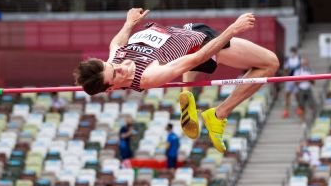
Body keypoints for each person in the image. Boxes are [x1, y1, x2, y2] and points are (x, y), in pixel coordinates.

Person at [74, 8, 279, 153]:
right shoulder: (148, 76)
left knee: (184, 58)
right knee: (270, 63)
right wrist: (232, 29)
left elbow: (116, 44)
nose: (119, 66)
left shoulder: (112, 62)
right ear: (111, 89)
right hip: (204, 46)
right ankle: (219, 113)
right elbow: (197, 58)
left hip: (187, 31)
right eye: (116, 74)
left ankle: (186, 93)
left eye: (112, 65)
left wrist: (129, 23)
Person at [293, 57, 315, 123]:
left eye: (306, 63)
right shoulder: (298, 71)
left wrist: (309, 79)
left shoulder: (311, 71)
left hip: (308, 89)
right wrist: (302, 80)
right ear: (301, 64)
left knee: (312, 104)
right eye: (304, 63)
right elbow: (295, 82)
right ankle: (302, 119)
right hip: (301, 90)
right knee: (301, 105)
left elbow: (313, 82)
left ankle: (312, 118)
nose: (305, 65)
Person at [282, 47, 301, 118]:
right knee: (287, 95)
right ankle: (286, 111)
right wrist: (286, 74)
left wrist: (299, 80)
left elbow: (301, 70)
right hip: (289, 79)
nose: (292, 53)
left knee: (297, 95)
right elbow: (285, 70)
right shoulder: (288, 60)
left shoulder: (299, 60)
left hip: (297, 79)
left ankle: (299, 108)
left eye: (294, 51)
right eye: (291, 52)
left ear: (296, 52)